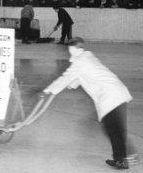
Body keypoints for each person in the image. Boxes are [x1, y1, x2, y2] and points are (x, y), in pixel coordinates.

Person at [42, 37, 138, 169]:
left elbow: (66, 77)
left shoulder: (80, 61)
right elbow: (83, 76)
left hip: (111, 96)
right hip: (116, 92)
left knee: (114, 130)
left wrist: (49, 90)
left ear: (76, 49)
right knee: (113, 129)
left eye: (70, 49)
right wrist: (72, 84)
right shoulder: (88, 58)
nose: (69, 51)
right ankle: (122, 158)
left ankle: (125, 158)